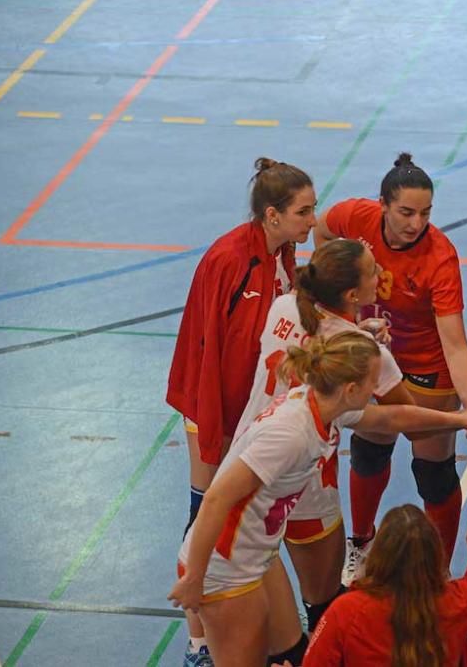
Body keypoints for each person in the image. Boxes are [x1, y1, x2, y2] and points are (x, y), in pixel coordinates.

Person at [169, 333, 467, 667]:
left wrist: (460, 420)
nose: (378, 389)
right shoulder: (291, 434)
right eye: (375, 382)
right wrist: (195, 576)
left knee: (292, 654)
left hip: (255, 553)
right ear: (352, 390)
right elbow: (216, 498)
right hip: (224, 565)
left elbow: (392, 418)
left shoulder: (322, 406)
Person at [166, 157, 316, 665]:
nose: (312, 221)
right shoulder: (229, 260)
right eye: (304, 212)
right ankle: (198, 643)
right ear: (271, 215)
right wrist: (218, 432)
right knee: (205, 509)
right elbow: (207, 352)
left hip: (249, 410)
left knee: (239, 514)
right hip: (215, 407)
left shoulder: (283, 252)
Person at [234, 238, 417, 640]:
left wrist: (355, 328)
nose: (381, 274)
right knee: (323, 604)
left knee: (257, 608)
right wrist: (461, 417)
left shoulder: (283, 305)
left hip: (246, 465)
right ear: (353, 294)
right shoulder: (367, 353)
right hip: (305, 485)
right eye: (373, 270)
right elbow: (402, 417)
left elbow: (316, 335)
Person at [314, 153, 467, 582]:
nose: (416, 223)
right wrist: (340, 301)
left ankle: (439, 570)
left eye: (425, 213)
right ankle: (361, 544)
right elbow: (323, 229)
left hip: (428, 368)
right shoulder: (357, 217)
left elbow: (455, 343)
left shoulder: (439, 257)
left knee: (434, 474)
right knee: (369, 452)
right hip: (376, 357)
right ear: (384, 205)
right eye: (406, 212)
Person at [301, 481, 467, 667]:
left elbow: (315, 662)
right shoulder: (458, 603)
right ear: (436, 555)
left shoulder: (346, 611)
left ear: (379, 554)